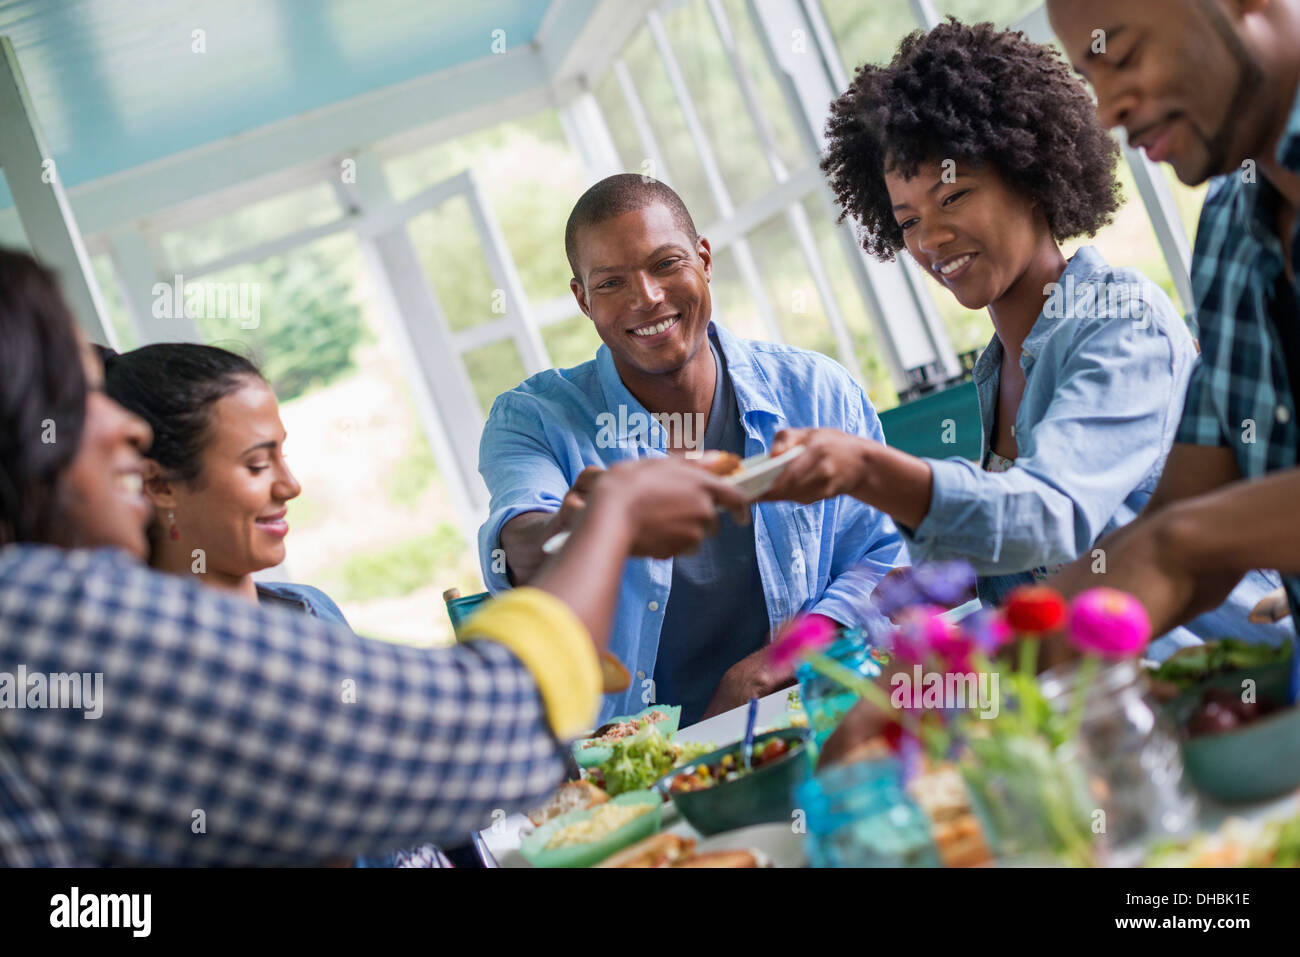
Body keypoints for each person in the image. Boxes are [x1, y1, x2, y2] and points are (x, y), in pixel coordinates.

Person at [0, 247, 747, 865]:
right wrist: (609, 520)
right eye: (76, 391)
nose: (121, 430)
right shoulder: (48, 617)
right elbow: (493, 728)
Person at [759, 19, 1289, 660]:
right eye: (908, 222)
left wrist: (865, 469)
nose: (930, 240)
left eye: (953, 197)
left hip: (1210, 677)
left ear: (1031, 172)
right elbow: (1039, 570)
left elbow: (1048, 516)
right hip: (1096, 702)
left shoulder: (1119, 320)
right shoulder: (997, 372)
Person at [477, 174, 904, 725]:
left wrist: (776, 665)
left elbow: (885, 555)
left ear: (704, 259)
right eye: (610, 283)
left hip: (817, 715)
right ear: (582, 300)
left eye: (665, 264)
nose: (647, 298)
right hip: (638, 766)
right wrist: (589, 523)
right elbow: (521, 541)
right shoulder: (534, 418)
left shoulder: (817, 391)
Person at [1040, 0, 1300, 680]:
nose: (1107, 112)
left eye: (1121, 57)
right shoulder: (1230, 233)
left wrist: (1178, 543)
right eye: (1088, 77)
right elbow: (1182, 512)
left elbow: (1182, 538)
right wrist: (968, 667)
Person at [102, 343, 346, 623]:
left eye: (282, 454)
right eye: (257, 465)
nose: (291, 486)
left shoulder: (316, 609)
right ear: (160, 486)